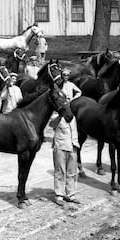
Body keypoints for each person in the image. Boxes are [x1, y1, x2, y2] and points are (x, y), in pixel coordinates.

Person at [51, 68, 82, 206]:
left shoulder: (73, 117)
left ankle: (71, 194)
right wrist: (60, 113)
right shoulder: (57, 116)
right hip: (60, 146)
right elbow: (51, 125)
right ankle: (59, 195)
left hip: (73, 146)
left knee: (71, 172)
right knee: (60, 171)